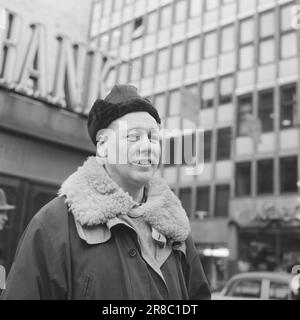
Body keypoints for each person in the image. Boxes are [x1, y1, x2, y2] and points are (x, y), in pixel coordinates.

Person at [1, 85, 211, 300]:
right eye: (134, 137)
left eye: (153, 137)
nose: (147, 146)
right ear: (102, 146)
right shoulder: (53, 224)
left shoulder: (175, 227)